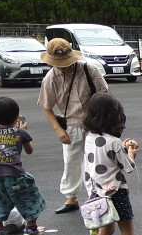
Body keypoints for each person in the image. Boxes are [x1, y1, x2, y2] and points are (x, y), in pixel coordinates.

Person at [74, 93, 142, 235]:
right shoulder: (114, 142)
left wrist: (122, 148)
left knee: (106, 229)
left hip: (97, 192)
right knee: (127, 227)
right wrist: (131, 152)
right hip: (116, 192)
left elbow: (104, 158)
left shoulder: (89, 137)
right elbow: (128, 167)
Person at [37, 37, 108, 214]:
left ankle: (98, 196)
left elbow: (105, 95)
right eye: (58, 63)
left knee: (97, 161)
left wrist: (105, 121)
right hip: (71, 124)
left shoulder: (89, 70)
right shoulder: (50, 78)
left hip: (95, 124)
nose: (62, 66)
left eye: (65, 62)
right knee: (71, 162)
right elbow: (46, 107)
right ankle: (71, 198)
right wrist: (58, 130)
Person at [0, 97, 47, 235]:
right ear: (16, 116)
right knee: (30, 198)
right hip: (14, 175)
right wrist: (23, 131)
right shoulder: (20, 133)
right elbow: (29, 151)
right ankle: (31, 229)